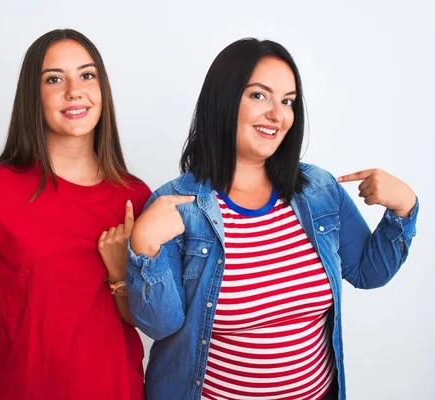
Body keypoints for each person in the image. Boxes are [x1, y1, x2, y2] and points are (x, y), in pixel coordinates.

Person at [127, 38, 418, 400]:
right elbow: (161, 325)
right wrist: (145, 250)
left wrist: (403, 211)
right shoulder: (177, 205)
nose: (278, 115)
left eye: (288, 101)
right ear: (224, 100)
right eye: (259, 96)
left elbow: (367, 272)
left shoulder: (319, 191)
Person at [0, 29, 150, 400]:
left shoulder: (136, 196)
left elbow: (145, 321)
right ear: (32, 96)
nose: (74, 90)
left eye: (87, 75)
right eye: (54, 79)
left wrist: (119, 275)